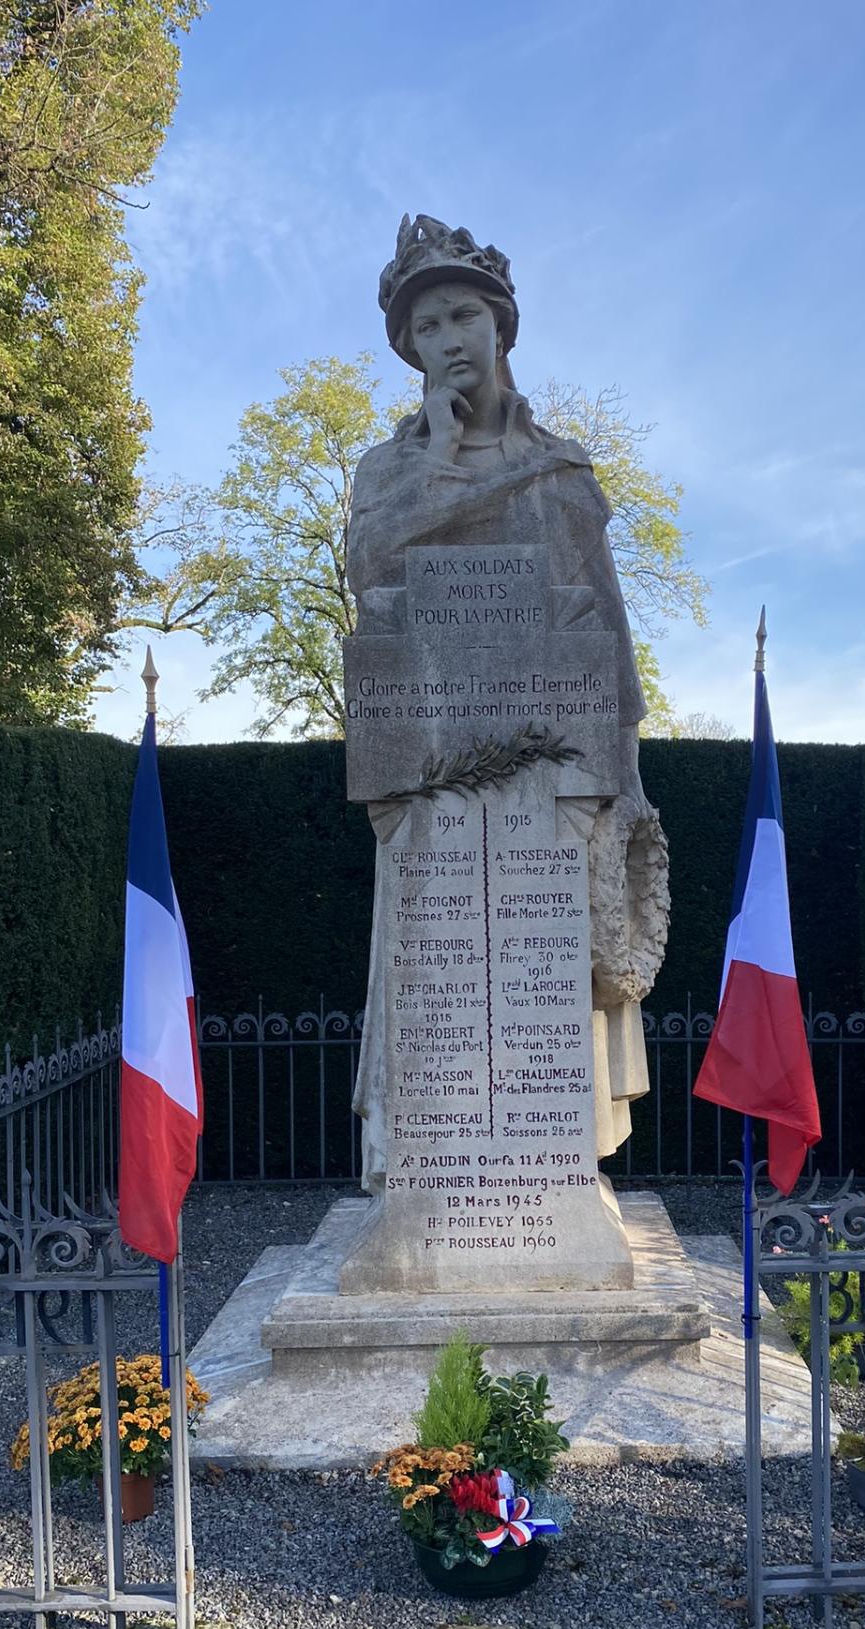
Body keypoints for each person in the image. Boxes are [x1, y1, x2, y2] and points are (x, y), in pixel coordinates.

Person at [349, 214, 669, 1189]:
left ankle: (547, 1177)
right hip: (435, 772)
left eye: (464, 315)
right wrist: (441, 460)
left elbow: (605, 641)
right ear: (410, 348)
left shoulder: (559, 470)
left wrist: (626, 780)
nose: (448, 337)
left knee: (557, 988)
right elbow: (369, 574)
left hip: (551, 786)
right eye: (427, 325)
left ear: (501, 329)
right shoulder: (389, 469)